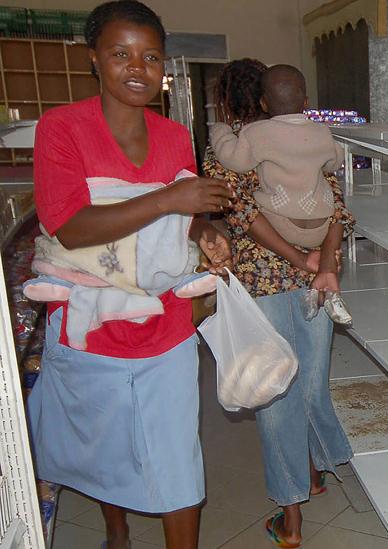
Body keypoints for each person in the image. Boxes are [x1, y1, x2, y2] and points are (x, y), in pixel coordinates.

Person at [26, 2, 233, 549]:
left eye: (151, 57)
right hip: (89, 322)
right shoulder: (62, 128)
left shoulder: (173, 136)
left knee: (176, 454)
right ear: (94, 58)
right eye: (121, 54)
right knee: (104, 445)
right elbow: (68, 226)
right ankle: (116, 532)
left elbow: (181, 219)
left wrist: (203, 232)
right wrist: (170, 199)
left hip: (164, 320)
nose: (138, 68)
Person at [204, 58, 354, 548]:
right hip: (315, 278)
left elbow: (241, 215)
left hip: (261, 285)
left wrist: (299, 257)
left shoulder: (231, 150)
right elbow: (338, 210)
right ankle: (313, 474)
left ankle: (291, 520)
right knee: (310, 383)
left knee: (275, 393)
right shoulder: (311, 139)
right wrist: (324, 262)